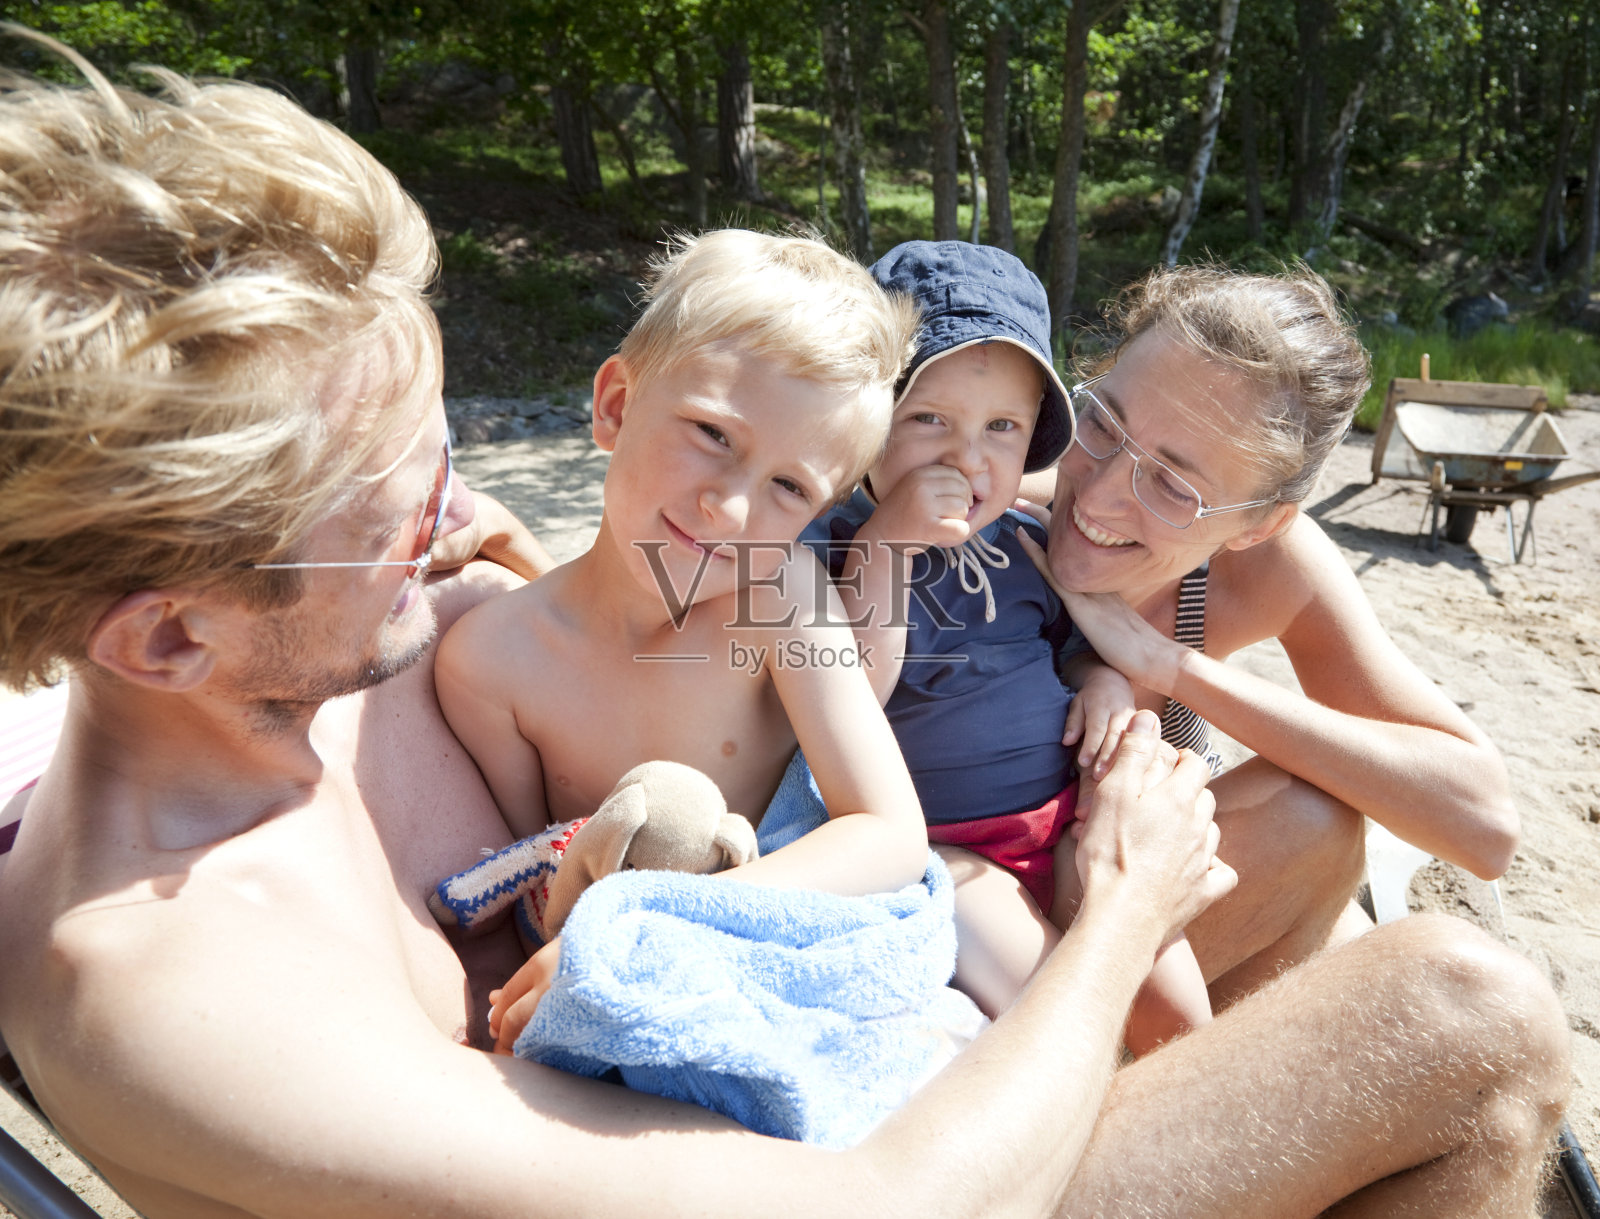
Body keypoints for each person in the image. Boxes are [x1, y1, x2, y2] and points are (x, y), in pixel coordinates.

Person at [0, 42, 1568, 1219]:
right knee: (1461, 1015)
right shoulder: (173, 989)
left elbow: (615, 623)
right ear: (167, 636)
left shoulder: (288, 669)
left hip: (817, 1052)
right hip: (878, 1171)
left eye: (449, 450)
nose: (453, 515)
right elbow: (883, 1200)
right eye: (399, 499)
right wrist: (1116, 915)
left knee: (1320, 863)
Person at [431, 228, 932, 1049]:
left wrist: (658, 924)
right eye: (712, 434)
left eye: (788, 487)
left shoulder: (781, 595)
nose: (729, 508)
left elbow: (889, 832)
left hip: (769, 936)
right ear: (616, 405)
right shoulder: (488, 664)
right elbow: (537, 879)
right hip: (611, 985)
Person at [804, 240, 1209, 1051]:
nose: (966, 455)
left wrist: (1103, 682)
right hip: (949, 850)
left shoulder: (1026, 536)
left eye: (1001, 428)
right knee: (1060, 1016)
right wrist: (890, 542)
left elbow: (1071, 646)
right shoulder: (832, 544)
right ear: (867, 420)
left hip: (1070, 819)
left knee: (1181, 1018)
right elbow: (852, 690)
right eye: (928, 420)